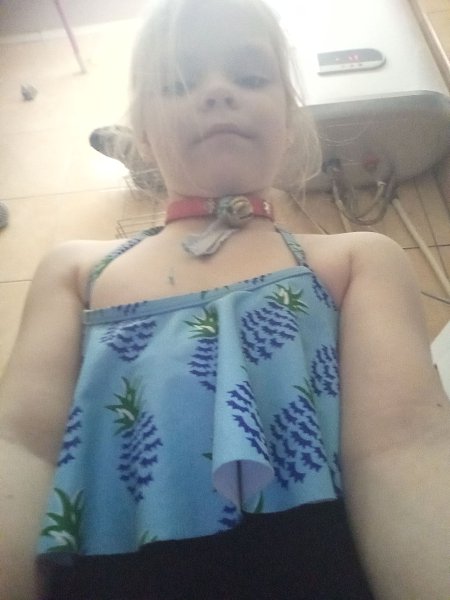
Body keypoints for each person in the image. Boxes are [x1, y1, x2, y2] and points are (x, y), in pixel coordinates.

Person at [1, 0, 449, 598]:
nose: (216, 91)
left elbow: (404, 446)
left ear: (288, 123)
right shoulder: (76, 271)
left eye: (250, 75)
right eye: (179, 82)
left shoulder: (355, 261)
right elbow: (21, 448)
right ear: (142, 135)